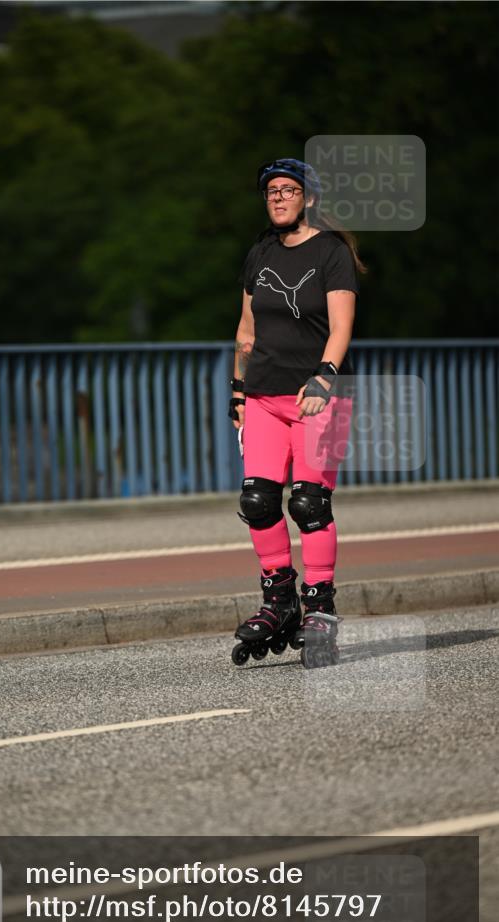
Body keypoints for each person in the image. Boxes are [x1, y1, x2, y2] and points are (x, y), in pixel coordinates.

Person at [229, 157, 366, 667]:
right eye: (271, 192)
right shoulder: (260, 253)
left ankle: (320, 608)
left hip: (319, 397)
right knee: (259, 501)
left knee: (309, 504)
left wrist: (325, 376)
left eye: (289, 190)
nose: (279, 198)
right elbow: (246, 330)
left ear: (308, 198)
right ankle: (279, 601)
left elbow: (340, 325)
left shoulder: (331, 252)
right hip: (264, 396)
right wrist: (238, 392)